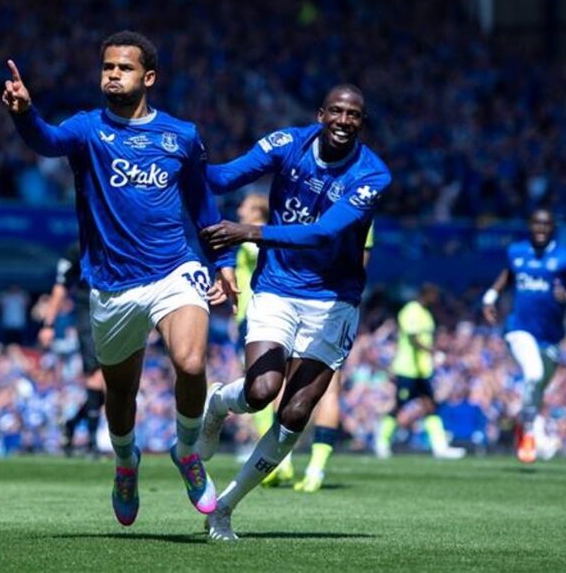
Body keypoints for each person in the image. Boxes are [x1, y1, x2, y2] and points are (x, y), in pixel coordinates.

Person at [2, 30, 236, 527]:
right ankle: (126, 462)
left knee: (191, 363)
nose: (113, 74)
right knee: (120, 394)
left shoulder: (182, 135)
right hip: (111, 284)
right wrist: (23, 112)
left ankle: (187, 451)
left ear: (147, 77)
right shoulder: (87, 129)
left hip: (175, 268)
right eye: (107, 67)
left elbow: (202, 205)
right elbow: (46, 141)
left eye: (124, 68)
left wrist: (223, 263)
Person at [197, 84, 390, 541]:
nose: (344, 120)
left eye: (354, 115)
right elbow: (222, 179)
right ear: (321, 113)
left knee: (297, 412)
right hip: (278, 288)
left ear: (361, 123)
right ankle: (220, 402)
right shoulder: (287, 143)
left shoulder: (373, 175)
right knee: (262, 391)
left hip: (335, 300)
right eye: (336, 111)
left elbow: (324, 233)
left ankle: (224, 508)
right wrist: (185, 158)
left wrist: (247, 231)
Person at [482, 208, 566, 463]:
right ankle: (530, 432)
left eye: (546, 225)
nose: (540, 229)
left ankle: (524, 422)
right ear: (530, 226)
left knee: (539, 386)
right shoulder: (517, 251)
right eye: (536, 224)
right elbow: (508, 274)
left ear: (553, 228)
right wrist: (490, 297)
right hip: (519, 329)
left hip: (551, 337)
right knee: (533, 373)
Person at [291, 222, 375, 493]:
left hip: (297, 294)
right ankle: (316, 468)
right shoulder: (362, 200)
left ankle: (282, 462)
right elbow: (361, 261)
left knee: (284, 382)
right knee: (329, 388)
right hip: (336, 302)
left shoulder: (308, 190)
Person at [373, 284, 466, 460]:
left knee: (431, 406)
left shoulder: (426, 313)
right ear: (426, 295)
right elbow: (413, 338)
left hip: (423, 370)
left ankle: (440, 447)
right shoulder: (410, 311)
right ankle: (382, 441)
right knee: (400, 406)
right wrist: (433, 352)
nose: (436, 299)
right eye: (434, 295)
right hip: (407, 369)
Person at [37, 242, 105, 457]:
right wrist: (49, 324)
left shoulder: (120, 239)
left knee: (113, 385)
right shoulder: (77, 249)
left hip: (118, 312)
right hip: (88, 313)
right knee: (97, 377)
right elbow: (61, 286)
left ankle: (72, 424)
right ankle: (92, 443)